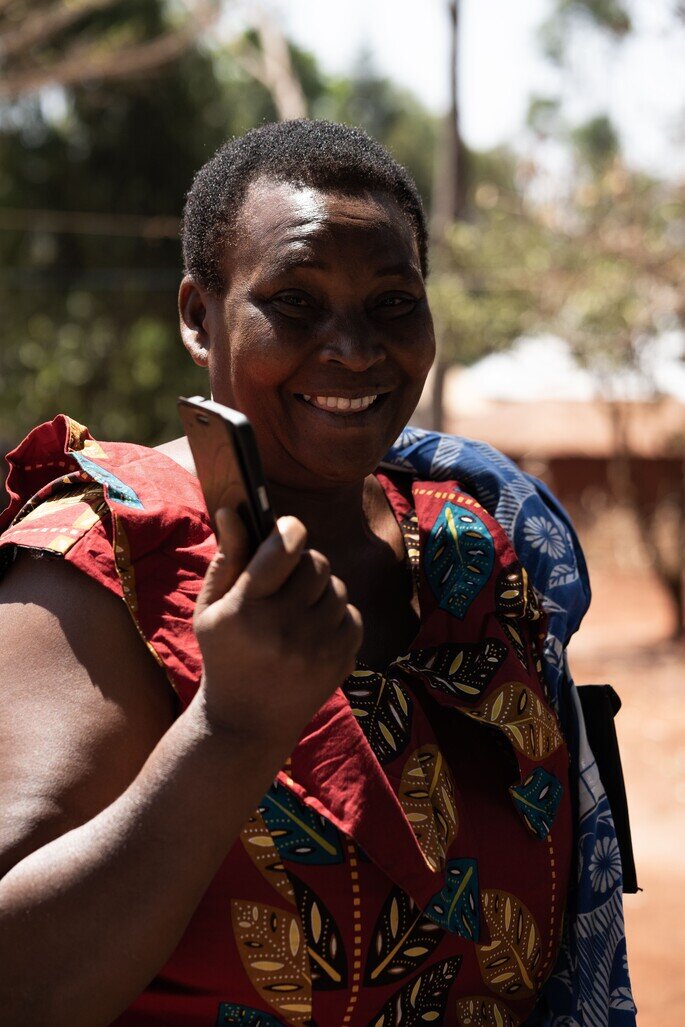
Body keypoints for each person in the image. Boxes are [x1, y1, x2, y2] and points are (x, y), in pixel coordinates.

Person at [0, 121, 634, 1027]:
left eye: (391, 302)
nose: (354, 349)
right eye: (295, 302)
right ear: (197, 316)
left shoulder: (478, 549)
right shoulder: (97, 569)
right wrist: (230, 730)